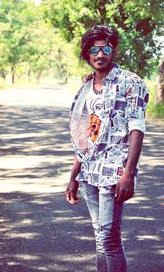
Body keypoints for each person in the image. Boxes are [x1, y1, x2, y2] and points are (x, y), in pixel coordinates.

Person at [65, 25, 149, 272]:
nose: (100, 55)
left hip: (114, 172)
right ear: (86, 53)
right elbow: (86, 136)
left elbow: (137, 128)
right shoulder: (86, 88)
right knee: (100, 238)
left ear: (113, 51)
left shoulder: (130, 82)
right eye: (94, 50)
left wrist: (128, 173)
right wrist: (73, 176)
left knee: (109, 239)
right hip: (90, 170)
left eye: (106, 49)